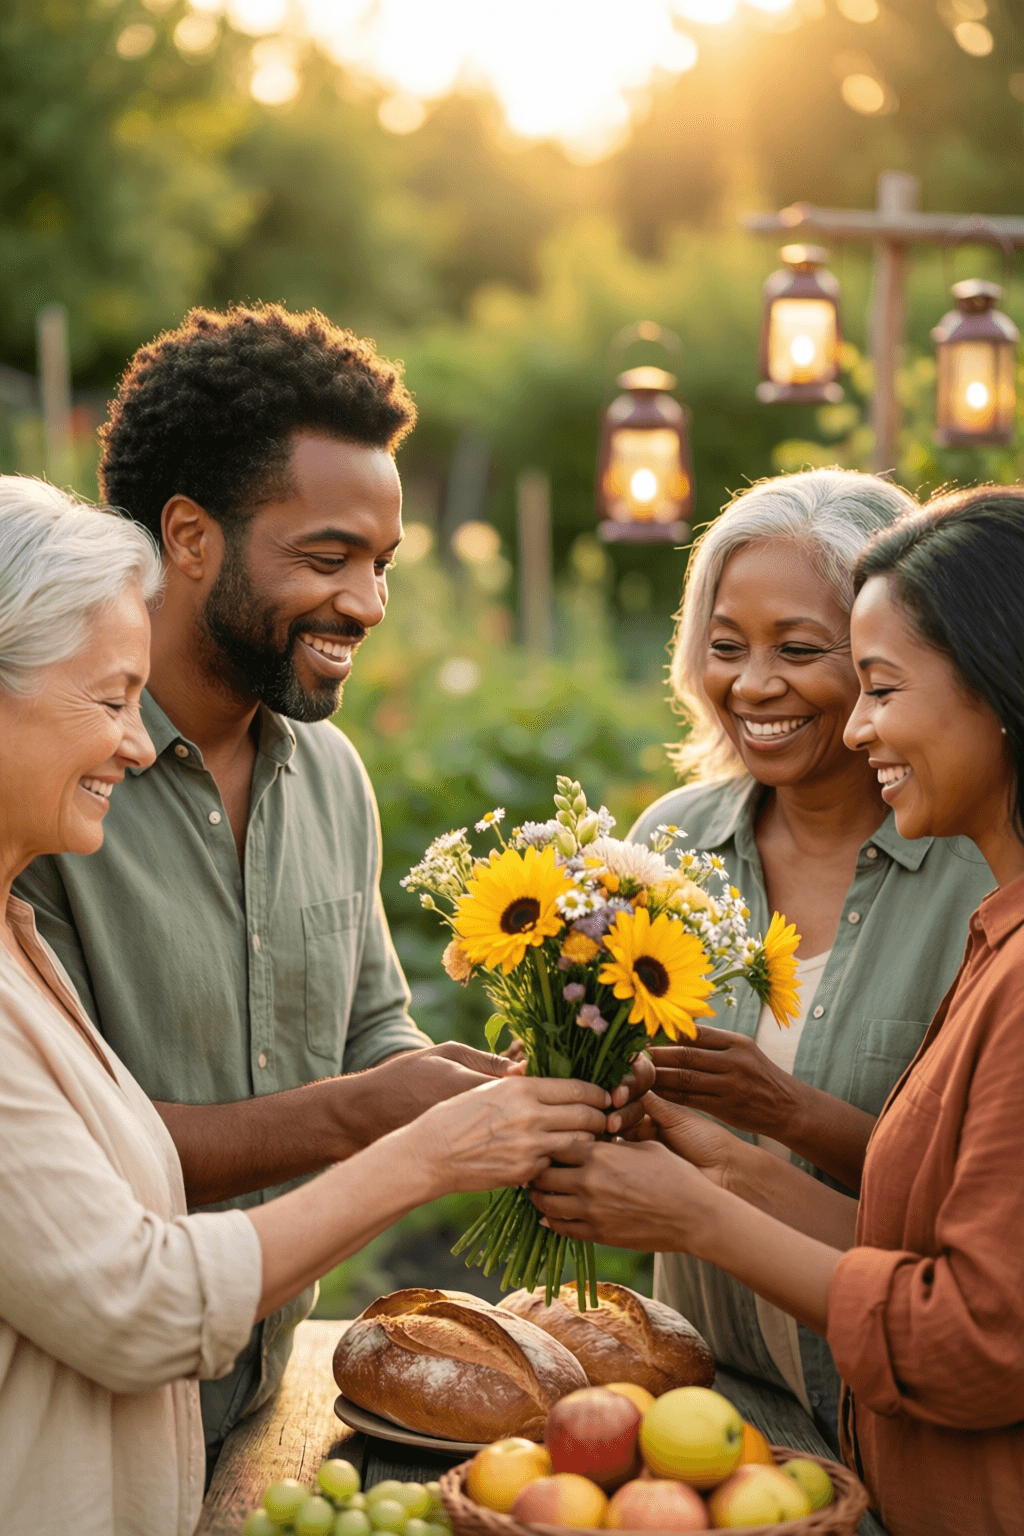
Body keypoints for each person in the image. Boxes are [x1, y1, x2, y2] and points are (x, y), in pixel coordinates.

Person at [9, 304, 651, 1463]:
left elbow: (369, 1032)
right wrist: (379, 1116)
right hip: (75, 1424)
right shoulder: (53, 793)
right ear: (191, 537)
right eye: (325, 558)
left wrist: (477, 1087)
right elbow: (73, 1156)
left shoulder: (332, 777)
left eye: (382, 564)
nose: (365, 603)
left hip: (260, 1398)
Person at [533, 483, 1024, 1535]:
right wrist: (696, 1154)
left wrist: (702, 1200)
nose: (855, 724)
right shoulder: (998, 930)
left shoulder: (989, 917)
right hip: (725, 1425)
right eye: (725, 643)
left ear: (992, 686)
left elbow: (973, 1331)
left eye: (873, 682)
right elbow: (913, 1229)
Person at [626, 469, 992, 1442]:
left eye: (798, 650)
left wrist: (786, 1112)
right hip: (695, 1395)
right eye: (723, 647)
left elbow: (977, 1215)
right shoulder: (666, 846)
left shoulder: (983, 878)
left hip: (896, 1415)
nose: (751, 684)